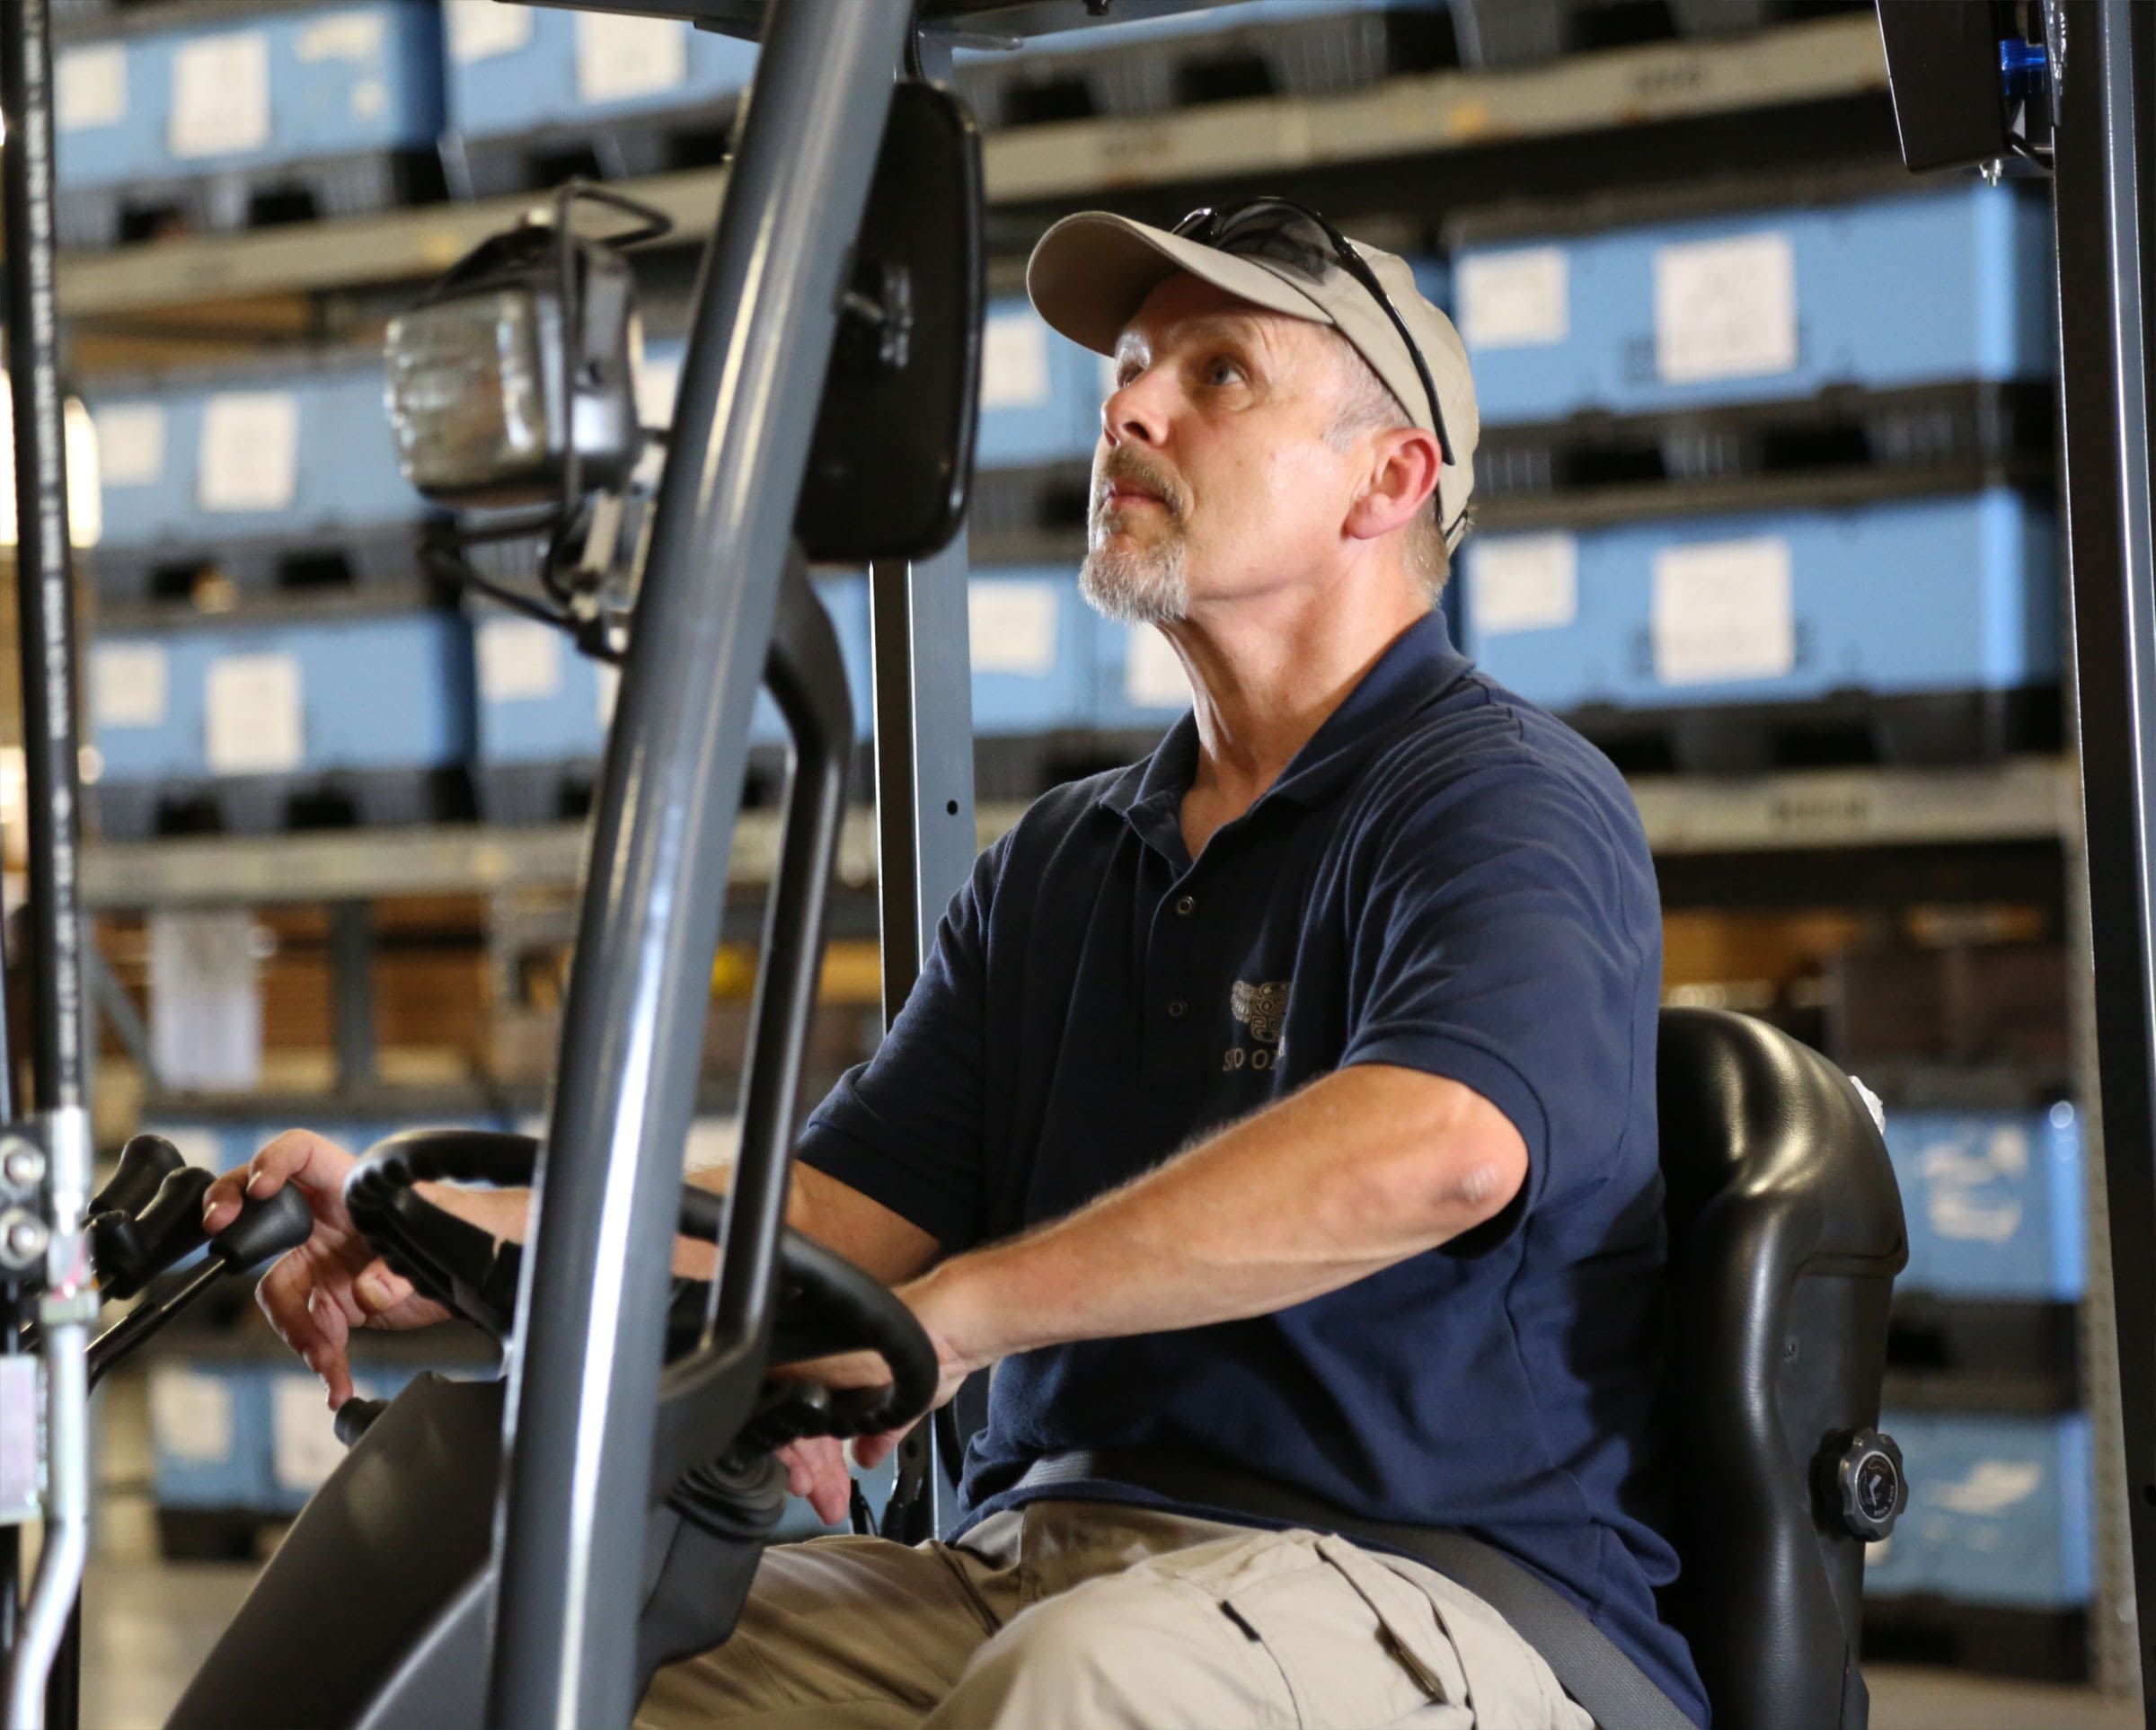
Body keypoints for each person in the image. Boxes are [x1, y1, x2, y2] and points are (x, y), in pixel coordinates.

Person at [203, 200, 1705, 1729]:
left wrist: (968, 1310)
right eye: (1128, 370)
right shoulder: (1066, 862)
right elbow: (818, 1228)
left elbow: (1439, 1147)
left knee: (1075, 1686)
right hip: (1034, 1558)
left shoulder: (1499, 796)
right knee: (572, 1639)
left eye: (1220, 375)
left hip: (1420, 1594)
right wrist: (447, 1222)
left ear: (1390, 481)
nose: (1130, 407)